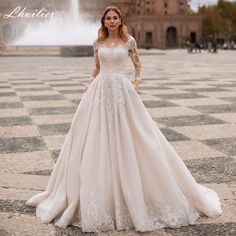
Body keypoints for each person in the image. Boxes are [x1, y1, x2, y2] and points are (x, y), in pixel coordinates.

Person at [26, 6, 222, 233]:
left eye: (115, 18)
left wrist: (135, 83)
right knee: (93, 137)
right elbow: (96, 67)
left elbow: (138, 66)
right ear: (104, 21)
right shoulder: (97, 42)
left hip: (122, 91)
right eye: (108, 18)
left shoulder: (129, 41)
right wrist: (89, 82)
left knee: (136, 136)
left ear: (120, 20)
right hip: (99, 92)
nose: (111, 21)